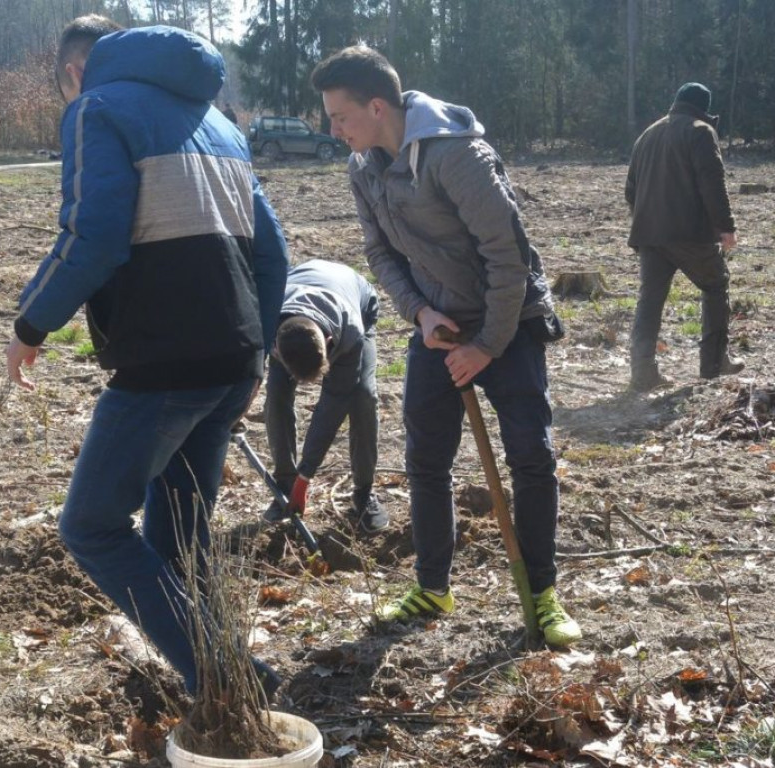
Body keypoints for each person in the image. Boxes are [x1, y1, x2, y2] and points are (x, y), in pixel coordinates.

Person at [6, 17, 289, 695]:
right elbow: (272, 252)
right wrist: (258, 351)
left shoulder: (94, 111)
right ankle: (230, 689)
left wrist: (31, 323)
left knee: (93, 526)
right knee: (178, 541)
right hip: (231, 362)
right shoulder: (219, 124)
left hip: (164, 365)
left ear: (74, 73)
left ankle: (226, 679)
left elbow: (93, 236)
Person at [310, 46, 580, 647]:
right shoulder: (363, 167)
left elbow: (508, 258)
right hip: (438, 326)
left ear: (376, 106)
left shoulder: (457, 156)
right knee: (425, 461)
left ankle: (543, 593)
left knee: (530, 456)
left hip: (508, 322)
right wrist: (421, 312)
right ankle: (433, 586)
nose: (333, 130)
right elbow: (380, 252)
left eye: (340, 116)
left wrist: (486, 345)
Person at [625, 82, 743, 392]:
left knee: (649, 300)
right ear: (704, 108)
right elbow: (712, 183)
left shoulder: (647, 134)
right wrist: (725, 227)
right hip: (689, 233)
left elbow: (630, 191)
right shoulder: (700, 130)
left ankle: (642, 371)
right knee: (716, 285)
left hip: (649, 234)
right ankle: (714, 363)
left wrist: (648, 221)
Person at [263, 259, 388, 535]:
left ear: (329, 344)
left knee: (362, 397)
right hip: (295, 299)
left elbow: (332, 408)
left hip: (355, 296)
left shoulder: (349, 332)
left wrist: (305, 476)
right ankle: (283, 483)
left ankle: (364, 493)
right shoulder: (265, 320)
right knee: (276, 394)